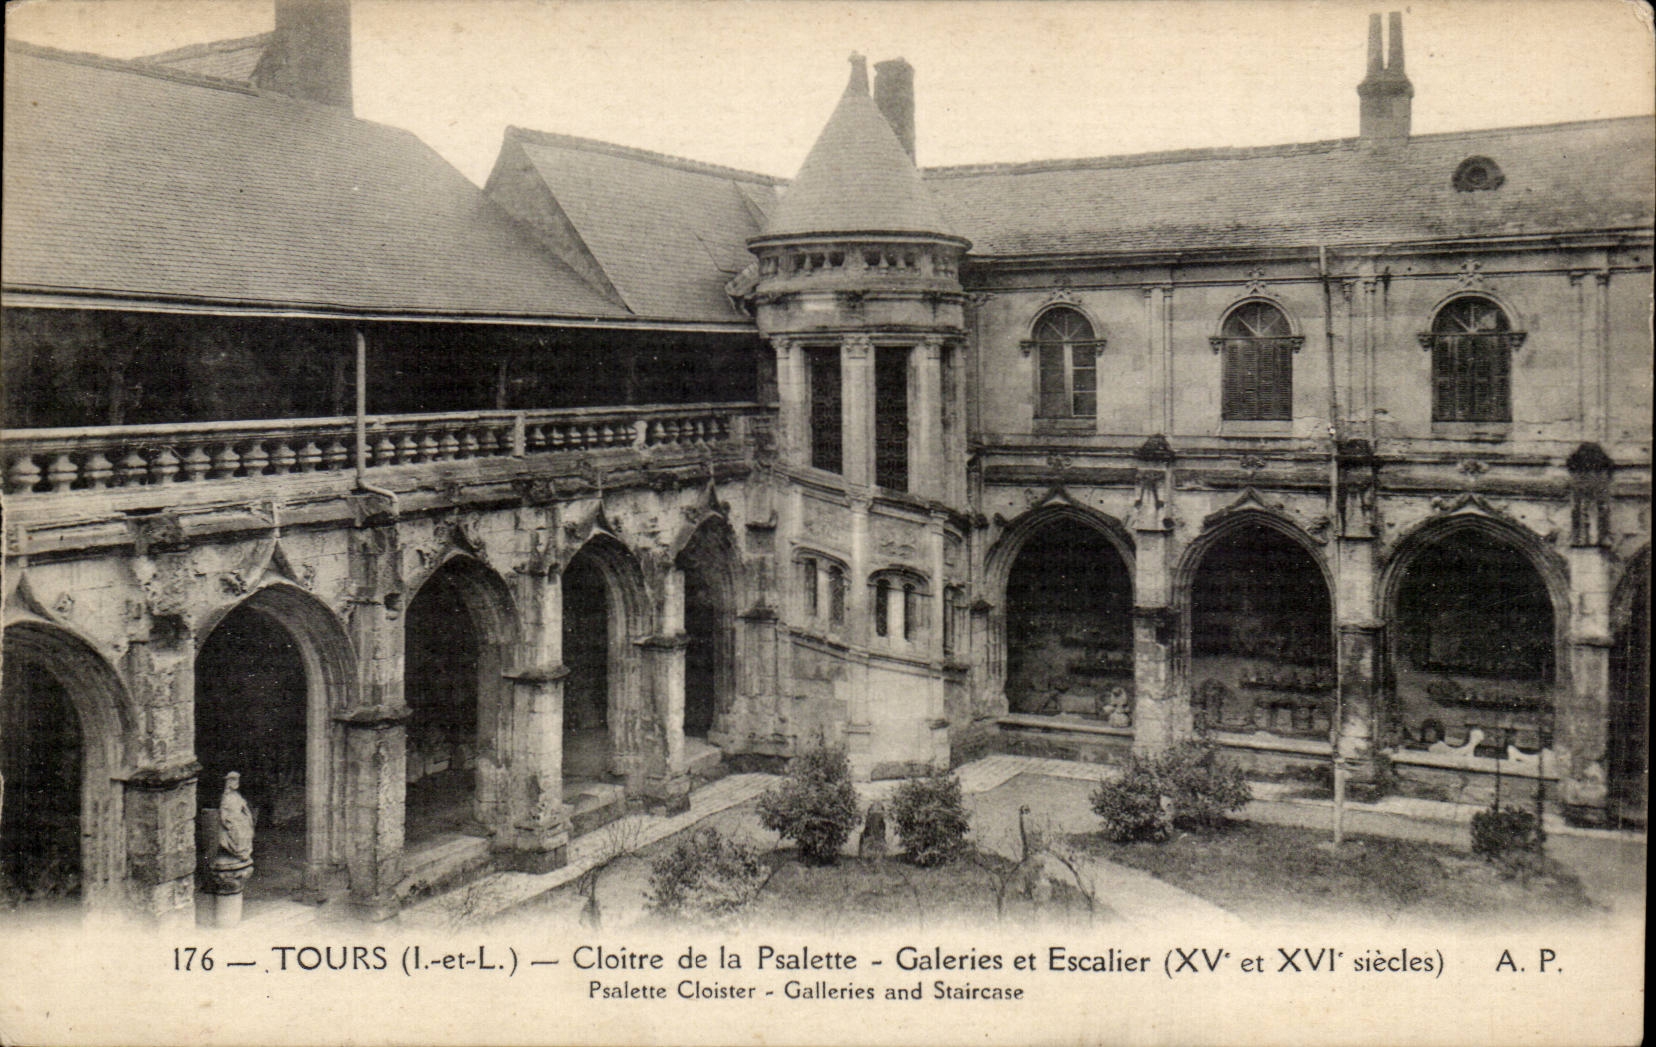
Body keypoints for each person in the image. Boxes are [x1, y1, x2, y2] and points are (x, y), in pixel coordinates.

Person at [217, 771, 254, 863]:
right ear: (228, 782)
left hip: (240, 818)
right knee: (238, 830)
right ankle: (239, 851)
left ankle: (244, 851)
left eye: (237, 780)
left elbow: (244, 808)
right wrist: (227, 821)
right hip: (231, 820)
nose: (236, 782)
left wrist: (248, 817)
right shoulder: (226, 797)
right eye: (233, 780)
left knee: (246, 827)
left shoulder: (237, 796)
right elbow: (223, 812)